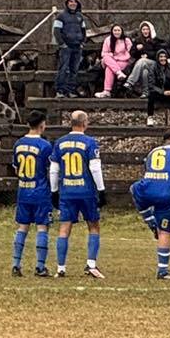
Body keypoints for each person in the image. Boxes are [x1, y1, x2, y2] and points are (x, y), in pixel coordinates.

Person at [52, 111, 106, 280]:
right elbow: (95, 168)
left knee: (64, 228)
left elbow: (54, 169)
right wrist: (101, 189)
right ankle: (91, 264)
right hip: (86, 190)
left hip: (67, 191)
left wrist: (54, 191)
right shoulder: (89, 142)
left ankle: (61, 267)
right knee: (93, 225)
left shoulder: (60, 142)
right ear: (84, 123)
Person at [130, 128, 170, 280]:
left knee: (134, 189)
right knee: (165, 231)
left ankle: (150, 220)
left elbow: (147, 171)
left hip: (147, 188)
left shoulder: (153, 151)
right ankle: (162, 270)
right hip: (166, 193)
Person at [9, 111, 55, 277]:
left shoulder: (19, 144)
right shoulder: (45, 146)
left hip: (23, 189)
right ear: (42, 124)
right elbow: (51, 169)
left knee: (22, 227)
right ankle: (40, 266)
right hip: (40, 190)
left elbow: (15, 168)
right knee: (42, 227)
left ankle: (16, 264)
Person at [128, 45, 170, 126]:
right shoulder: (153, 67)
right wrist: (162, 92)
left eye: (164, 57)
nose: (163, 59)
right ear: (158, 58)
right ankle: (150, 117)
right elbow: (151, 84)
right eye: (161, 57)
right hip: (159, 91)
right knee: (151, 95)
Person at [52, 0, 87, 97]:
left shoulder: (80, 16)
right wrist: (62, 44)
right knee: (63, 68)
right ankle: (60, 90)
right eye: (71, 2)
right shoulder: (61, 16)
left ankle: (70, 90)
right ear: (67, 4)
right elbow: (56, 31)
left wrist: (82, 42)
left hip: (77, 46)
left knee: (74, 70)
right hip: (66, 46)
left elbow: (84, 30)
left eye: (75, 2)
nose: (73, 4)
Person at [95, 24, 132, 99]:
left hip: (123, 61)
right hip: (111, 61)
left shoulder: (126, 40)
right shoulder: (108, 40)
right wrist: (111, 55)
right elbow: (103, 53)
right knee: (106, 59)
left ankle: (107, 91)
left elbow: (130, 53)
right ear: (112, 31)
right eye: (115, 30)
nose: (117, 32)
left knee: (109, 68)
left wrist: (118, 57)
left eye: (118, 30)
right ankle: (119, 73)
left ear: (121, 31)